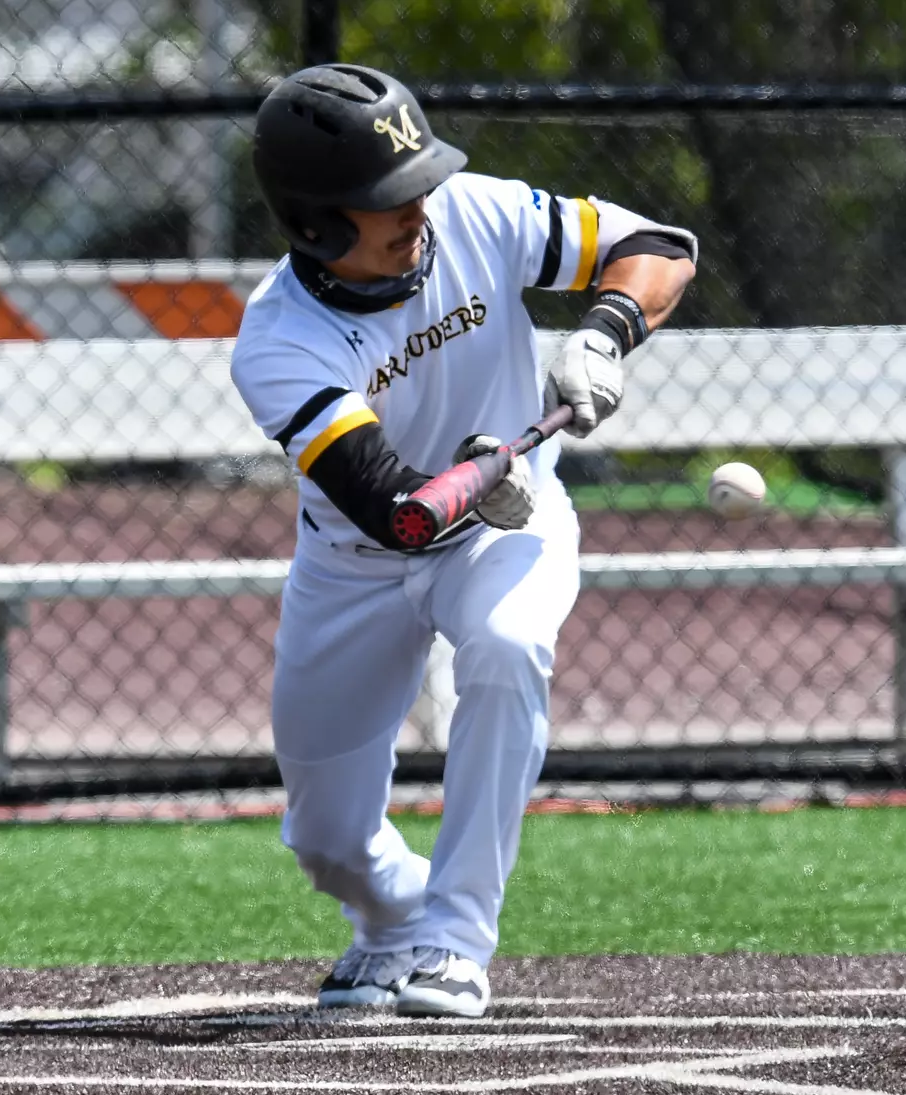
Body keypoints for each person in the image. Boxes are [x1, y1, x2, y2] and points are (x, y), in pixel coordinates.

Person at [229, 63, 697, 1018]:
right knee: (324, 839)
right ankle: (396, 918)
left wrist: (605, 332)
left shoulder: (474, 212)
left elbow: (660, 245)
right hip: (358, 563)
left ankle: (453, 938)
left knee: (506, 644)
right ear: (315, 221)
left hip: (511, 524)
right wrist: (486, 470)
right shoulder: (279, 342)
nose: (418, 207)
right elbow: (392, 510)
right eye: (385, 198)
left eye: (419, 180)